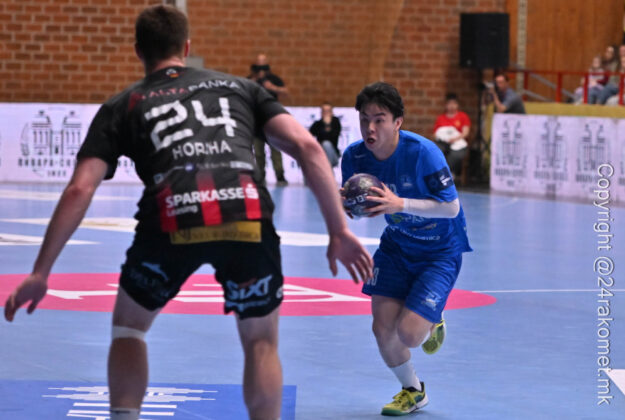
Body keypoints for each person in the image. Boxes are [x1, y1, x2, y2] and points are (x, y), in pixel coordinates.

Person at [3, 6, 373, 420]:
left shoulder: (124, 105)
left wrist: (41, 271)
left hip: (171, 218)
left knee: (128, 329)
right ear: (187, 46)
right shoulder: (240, 88)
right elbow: (307, 148)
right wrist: (338, 230)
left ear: (138, 51)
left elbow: (80, 188)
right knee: (260, 341)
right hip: (245, 215)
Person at [340, 82, 472, 416]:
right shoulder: (354, 157)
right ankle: (413, 391)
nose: (370, 128)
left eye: (379, 119)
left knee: (410, 335)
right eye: (364, 119)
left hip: (439, 250)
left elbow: (452, 208)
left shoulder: (423, 153)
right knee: (382, 328)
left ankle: (433, 318)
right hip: (397, 247)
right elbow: (353, 205)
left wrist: (399, 203)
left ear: (398, 122)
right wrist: (350, 207)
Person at [249, 53, 289, 186]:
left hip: (272, 120)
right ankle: (260, 176)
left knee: (275, 150)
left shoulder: (273, 79)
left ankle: (280, 175)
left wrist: (272, 88)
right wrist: (252, 83)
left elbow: (286, 92)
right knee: (258, 152)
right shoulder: (250, 80)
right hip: (256, 120)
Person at [432, 93, 470, 177]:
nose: (452, 106)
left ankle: (448, 173)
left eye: (454, 103)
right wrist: (444, 138)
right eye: (449, 103)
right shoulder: (441, 118)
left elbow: (465, 133)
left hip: (458, 142)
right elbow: (435, 134)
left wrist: (455, 139)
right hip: (443, 142)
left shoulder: (463, 116)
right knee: (436, 151)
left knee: (455, 155)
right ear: (446, 105)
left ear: (457, 105)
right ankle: (436, 173)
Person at [309, 102, 342, 167]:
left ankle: (327, 169)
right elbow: (309, 135)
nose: (326, 113)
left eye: (328, 111)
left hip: (333, 156)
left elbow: (332, 137)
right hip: (320, 155)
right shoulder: (317, 124)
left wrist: (327, 124)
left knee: (326, 144)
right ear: (321, 113)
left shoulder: (336, 122)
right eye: (324, 111)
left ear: (332, 112)